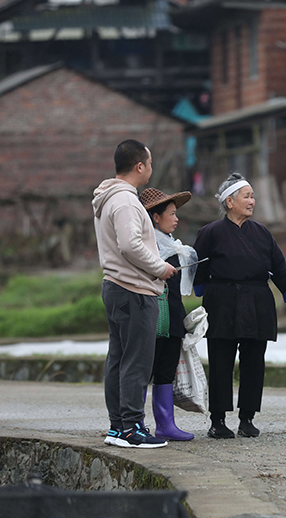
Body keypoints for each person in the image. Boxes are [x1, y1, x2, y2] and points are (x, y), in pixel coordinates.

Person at [193, 172, 286, 439]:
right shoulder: (210, 233)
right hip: (222, 302)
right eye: (247, 196)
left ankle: (247, 417)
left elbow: (281, 269)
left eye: (253, 196)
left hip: (257, 300)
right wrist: (201, 293)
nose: (252, 201)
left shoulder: (262, 234)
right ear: (229, 202)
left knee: (253, 362)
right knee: (221, 361)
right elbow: (198, 269)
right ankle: (218, 420)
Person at [92, 139, 177, 449]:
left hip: (115, 285)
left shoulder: (108, 197)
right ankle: (131, 428)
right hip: (133, 288)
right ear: (139, 166)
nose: (151, 169)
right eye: (150, 163)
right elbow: (130, 245)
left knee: (118, 358)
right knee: (136, 360)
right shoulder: (126, 201)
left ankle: (118, 426)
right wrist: (160, 268)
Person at [139, 187, 197, 441]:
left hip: (172, 316)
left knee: (166, 370)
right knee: (142, 371)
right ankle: (135, 422)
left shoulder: (174, 247)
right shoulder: (144, 248)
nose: (176, 219)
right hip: (150, 316)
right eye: (171, 214)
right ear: (155, 217)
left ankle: (166, 424)